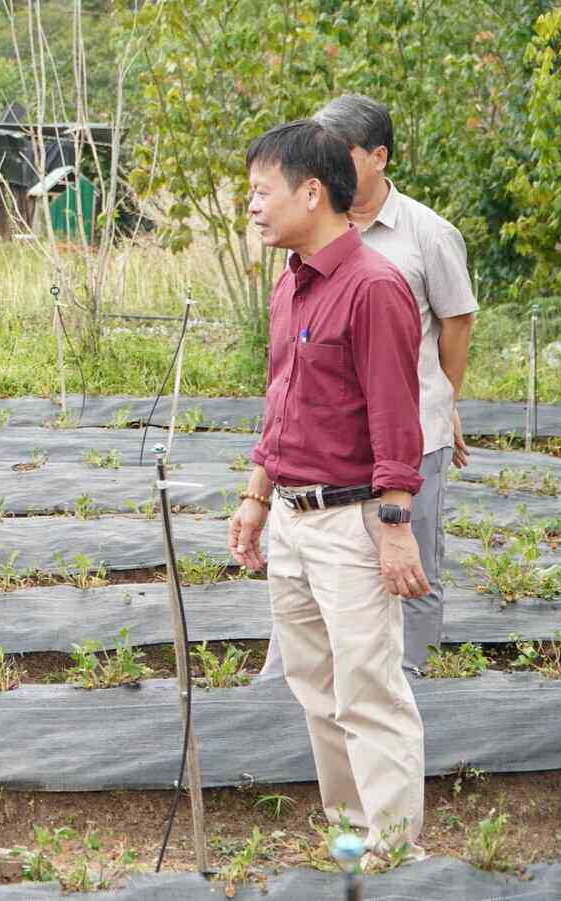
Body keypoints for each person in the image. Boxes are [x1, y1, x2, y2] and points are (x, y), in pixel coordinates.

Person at [228, 120, 428, 864]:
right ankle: (351, 827)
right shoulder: (292, 284)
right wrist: (256, 495)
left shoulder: (374, 288)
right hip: (292, 515)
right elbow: (283, 399)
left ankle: (394, 846)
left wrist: (396, 524)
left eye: (260, 191)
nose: (251, 206)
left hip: (350, 521)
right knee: (314, 682)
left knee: (367, 686)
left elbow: (395, 419)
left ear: (312, 194)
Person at [259, 94, 477, 676]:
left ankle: (410, 675)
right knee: (328, 569)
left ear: (377, 157)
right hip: (337, 445)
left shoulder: (426, 234)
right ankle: (301, 684)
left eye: (340, 152)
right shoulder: (309, 235)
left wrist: (443, 399)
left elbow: (457, 321)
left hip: (412, 432)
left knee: (410, 563)